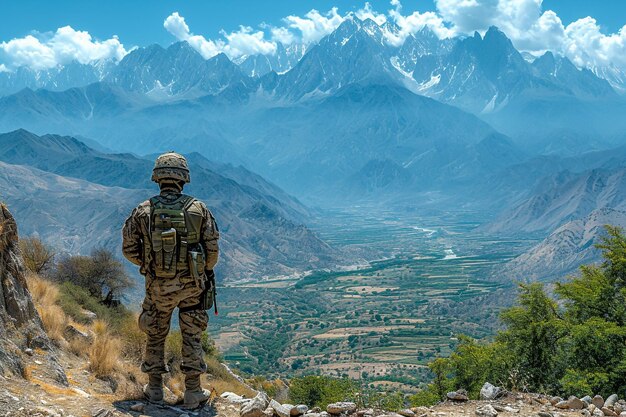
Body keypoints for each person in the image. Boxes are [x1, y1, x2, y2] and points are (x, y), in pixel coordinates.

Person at [122, 151, 219, 409]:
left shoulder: (143, 210)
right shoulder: (198, 209)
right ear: (184, 178)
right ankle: (193, 392)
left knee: (155, 333)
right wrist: (195, 272)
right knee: (192, 336)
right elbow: (212, 255)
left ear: (157, 178)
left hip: (157, 287)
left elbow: (129, 249)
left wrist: (150, 265)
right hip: (192, 288)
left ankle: (154, 389)